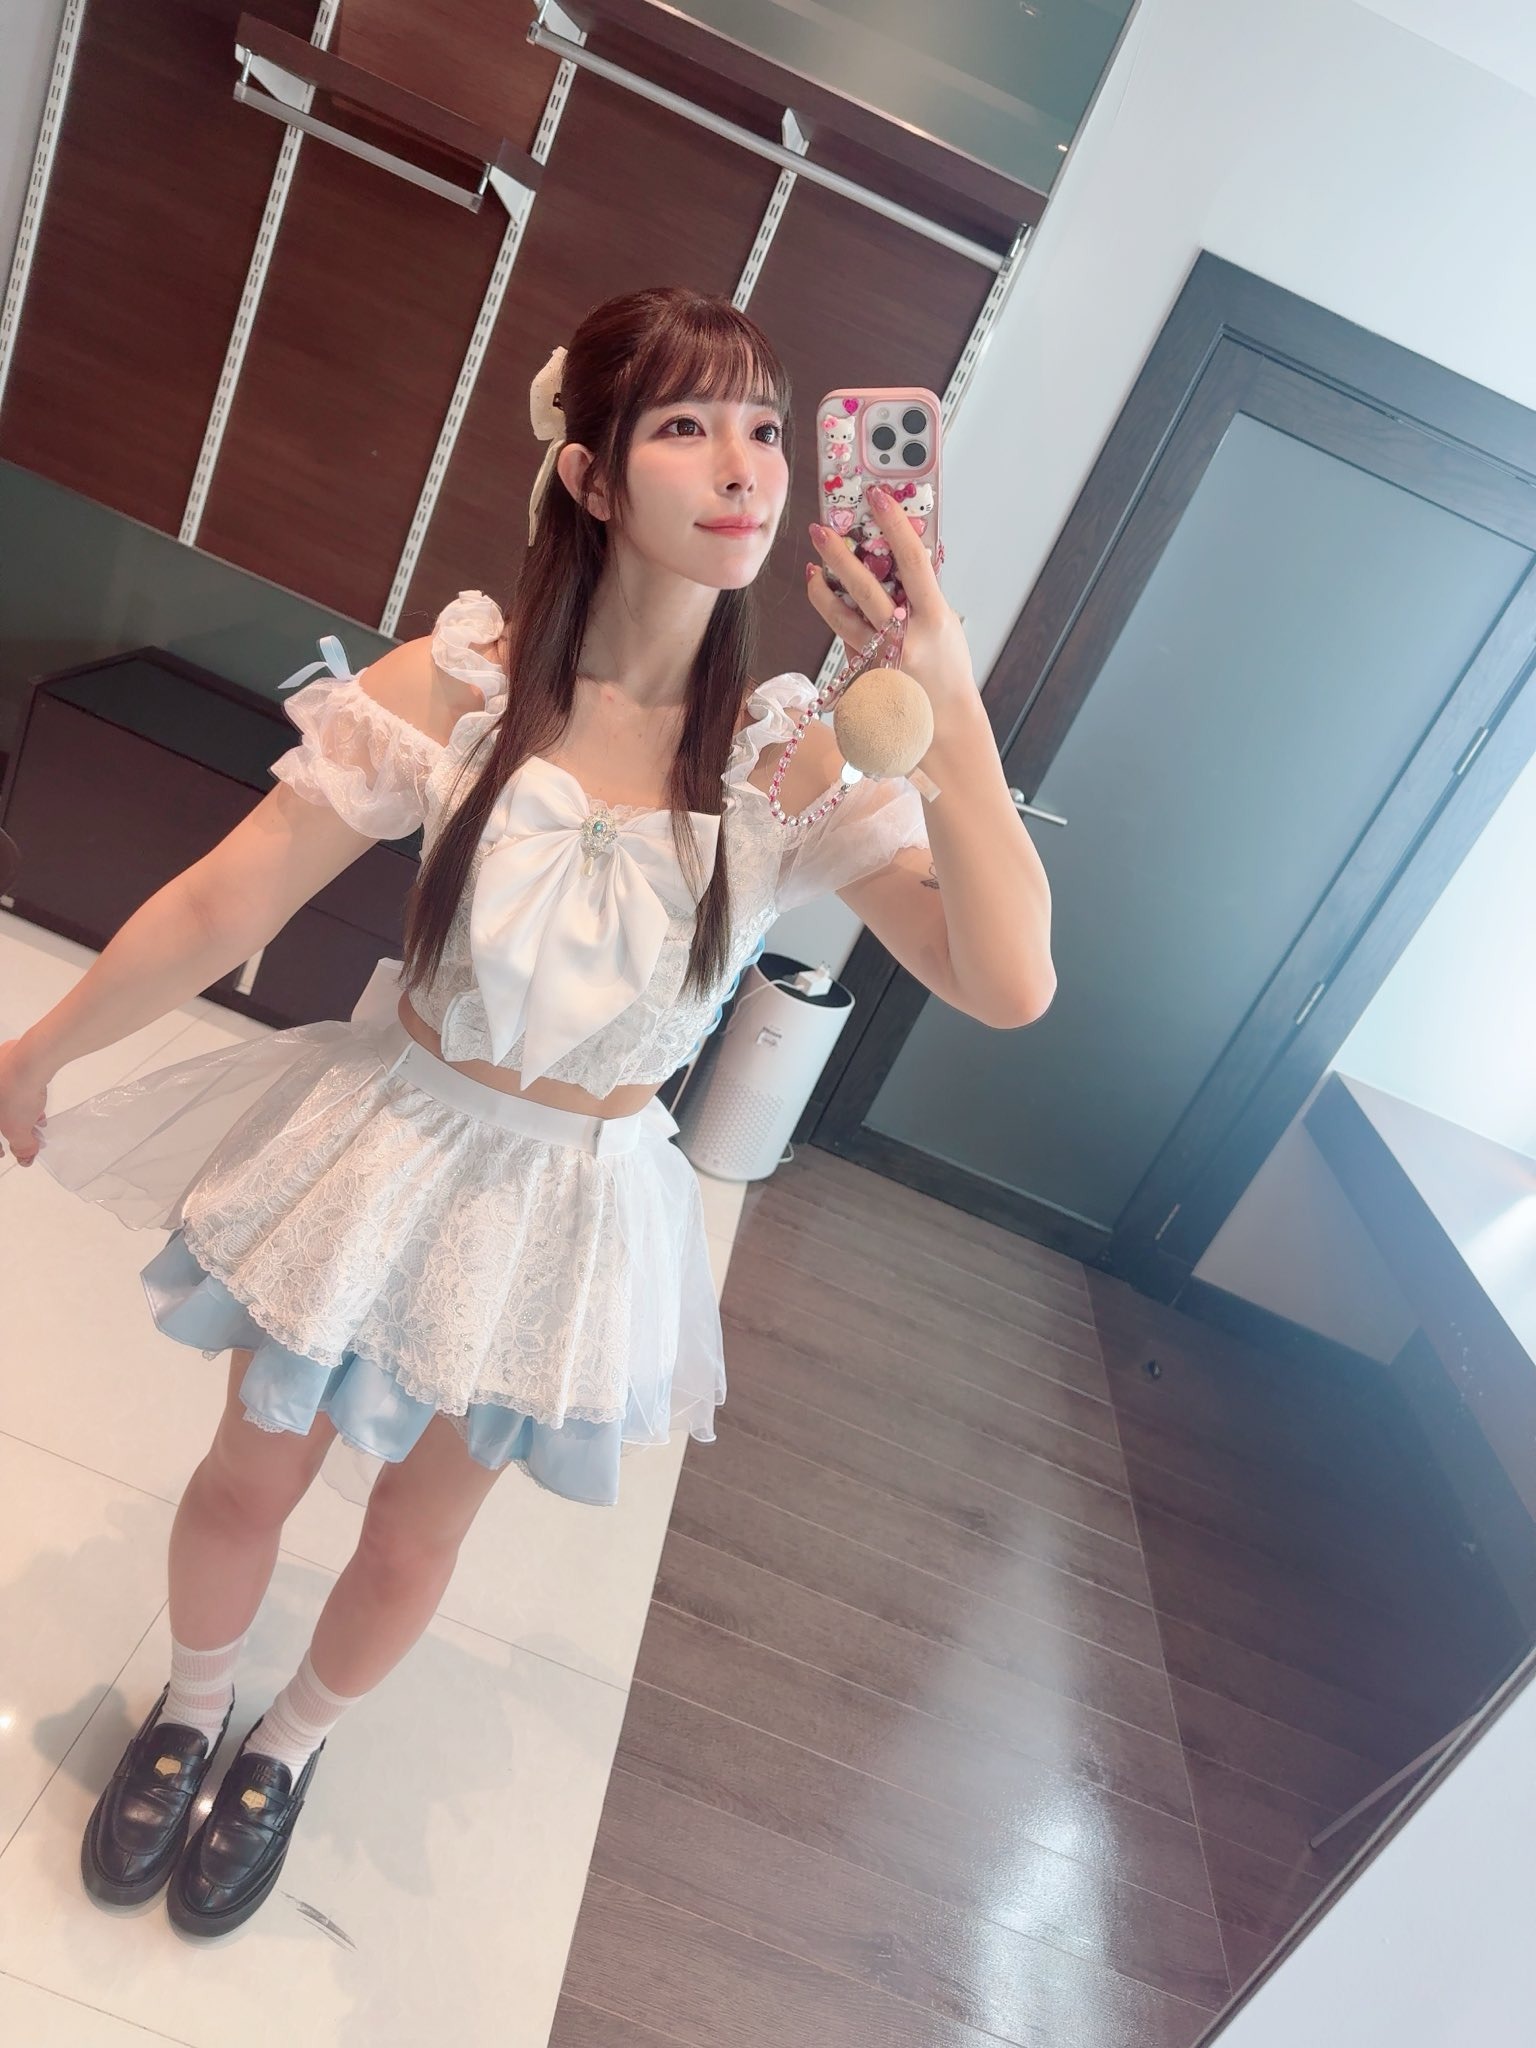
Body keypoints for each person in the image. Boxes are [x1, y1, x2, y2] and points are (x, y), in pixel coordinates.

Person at [0, 285, 1053, 1940]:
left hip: (572, 1206)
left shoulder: (793, 754)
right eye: (688, 426)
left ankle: (288, 1747)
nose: (747, 467)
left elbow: (1007, 981)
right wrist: (39, 1046)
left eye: (767, 427)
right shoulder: (466, 684)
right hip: (387, 1136)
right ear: (590, 473)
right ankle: (192, 1708)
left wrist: (949, 707)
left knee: (414, 1540)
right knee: (243, 1482)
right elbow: (229, 897)